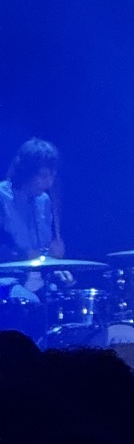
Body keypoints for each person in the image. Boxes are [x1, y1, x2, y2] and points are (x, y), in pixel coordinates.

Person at [0, 137, 65, 322]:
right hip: (5, 284)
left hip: (35, 282)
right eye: (43, 177)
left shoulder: (44, 201)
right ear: (25, 172)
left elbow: (43, 252)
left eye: (52, 176)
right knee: (30, 304)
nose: (49, 184)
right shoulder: (2, 198)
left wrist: (56, 264)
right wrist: (23, 255)